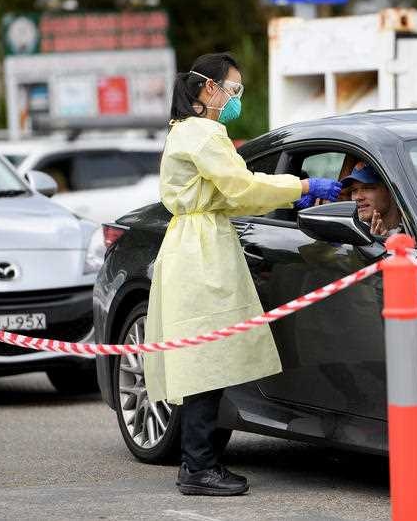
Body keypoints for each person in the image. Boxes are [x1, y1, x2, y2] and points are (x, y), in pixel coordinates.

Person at [142, 53, 342, 497]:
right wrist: (305, 187)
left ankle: (201, 461)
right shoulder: (204, 134)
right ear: (209, 89)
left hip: (198, 242)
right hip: (199, 251)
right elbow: (244, 187)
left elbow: (231, 196)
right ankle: (198, 467)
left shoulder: (191, 132)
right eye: (233, 90)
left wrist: (291, 197)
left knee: (208, 360)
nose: (236, 99)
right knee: (204, 362)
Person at [340, 161, 403, 236]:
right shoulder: (351, 236)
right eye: (354, 190)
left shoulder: (416, 225)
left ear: (390, 190)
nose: (357, 197)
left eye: (367, 188)